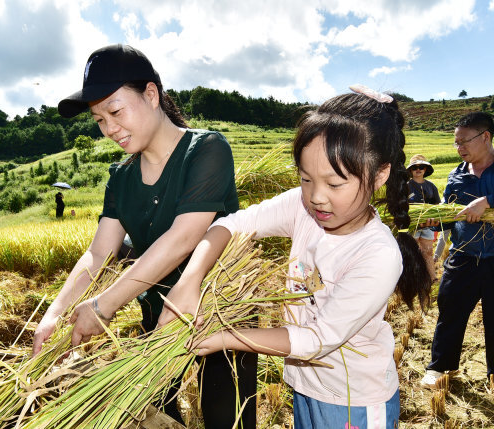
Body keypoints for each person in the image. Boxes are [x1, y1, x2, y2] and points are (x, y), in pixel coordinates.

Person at [168, 86, 431, 428]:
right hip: (305, 386)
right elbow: (233, 224)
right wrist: (189, 281)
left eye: (335, 184)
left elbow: (315, 340)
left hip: (354, 403)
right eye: (306, 179)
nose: (317, 197)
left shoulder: (378, 255)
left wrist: (223, 338)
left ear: (380, 174)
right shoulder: (302, 207)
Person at [32, 44, 257, 428]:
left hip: (217, 317)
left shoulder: (206, 150)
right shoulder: (121, 178)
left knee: (226, 417)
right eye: (99, 119)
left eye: (116, 111)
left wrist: (103, 307)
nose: (109, 129)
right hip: (156, 322)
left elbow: (184, 237)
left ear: (151, 95)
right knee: (153, 416)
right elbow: (99, 252)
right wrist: (55, 313)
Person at [420, 112, 494, 388]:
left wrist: (487, 201)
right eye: (455, 143)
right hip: (463, 255)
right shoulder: (456, 175)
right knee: (450, 311)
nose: (459, 148)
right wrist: (433, 218)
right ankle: (440, 368)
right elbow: (449, 216)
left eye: (464, 141)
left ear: (485, 137)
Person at [407, 154, 440, 282]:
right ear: (411, 170)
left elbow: (437, 206)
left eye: (421, 167)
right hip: (412, 225)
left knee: (428, 252)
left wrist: (434, 220)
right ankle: (413, 279)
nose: (418, 169)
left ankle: (432, 278)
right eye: (415, 167)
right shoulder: (406, 186)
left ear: (425, 169)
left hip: (428, 225)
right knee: (412, 253)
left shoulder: (431, 187)